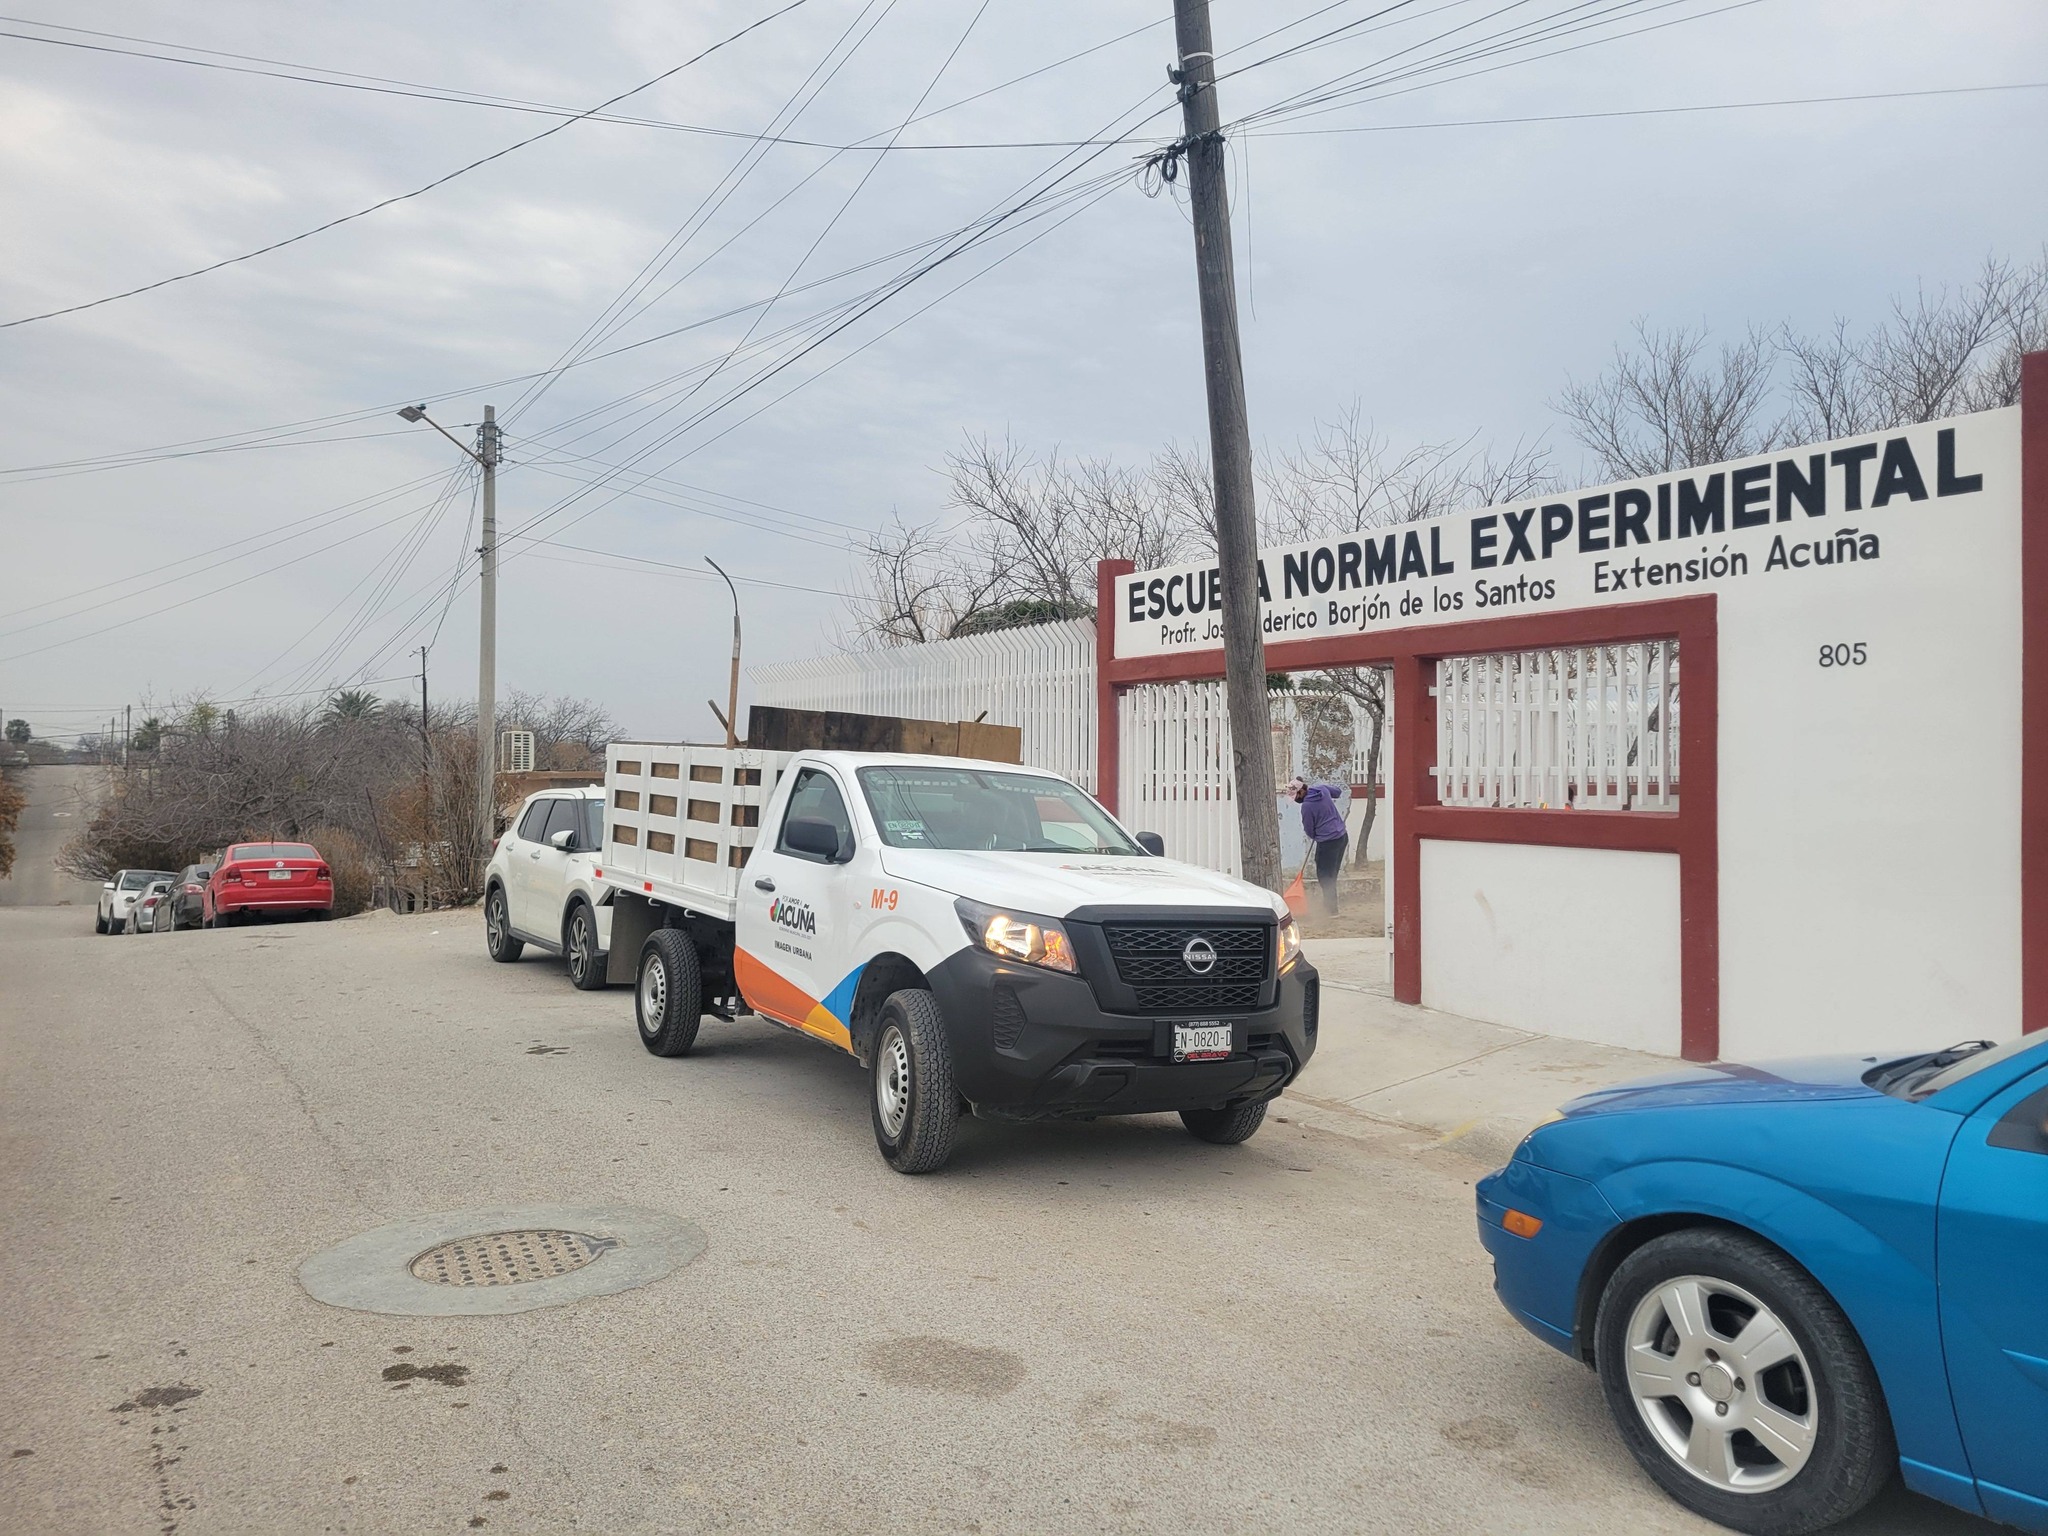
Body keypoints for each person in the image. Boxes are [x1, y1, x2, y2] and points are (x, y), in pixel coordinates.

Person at [1287, 776, 1349, 916]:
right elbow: (1337, 792)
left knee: (1325, 876)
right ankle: (1329, 905)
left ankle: (1331, 910)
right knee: (1332, 874)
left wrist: (1316, 835)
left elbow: (1309, 829)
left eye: (1296, 796)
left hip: (1327, 842)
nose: (1296, 800)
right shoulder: (1322, 789)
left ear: (1302, 791)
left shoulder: (1307, 806)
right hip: (1342, 837)